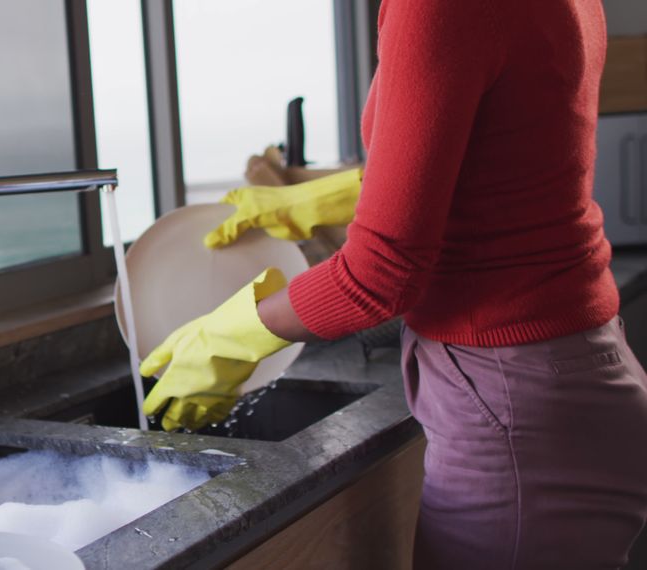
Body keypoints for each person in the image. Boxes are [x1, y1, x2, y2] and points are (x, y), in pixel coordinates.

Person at [140, 0, 647, 567]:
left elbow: (380, 275)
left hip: (512, 398)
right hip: (574, 370)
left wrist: (230, 336)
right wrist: (317, 199)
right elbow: (498, 153)